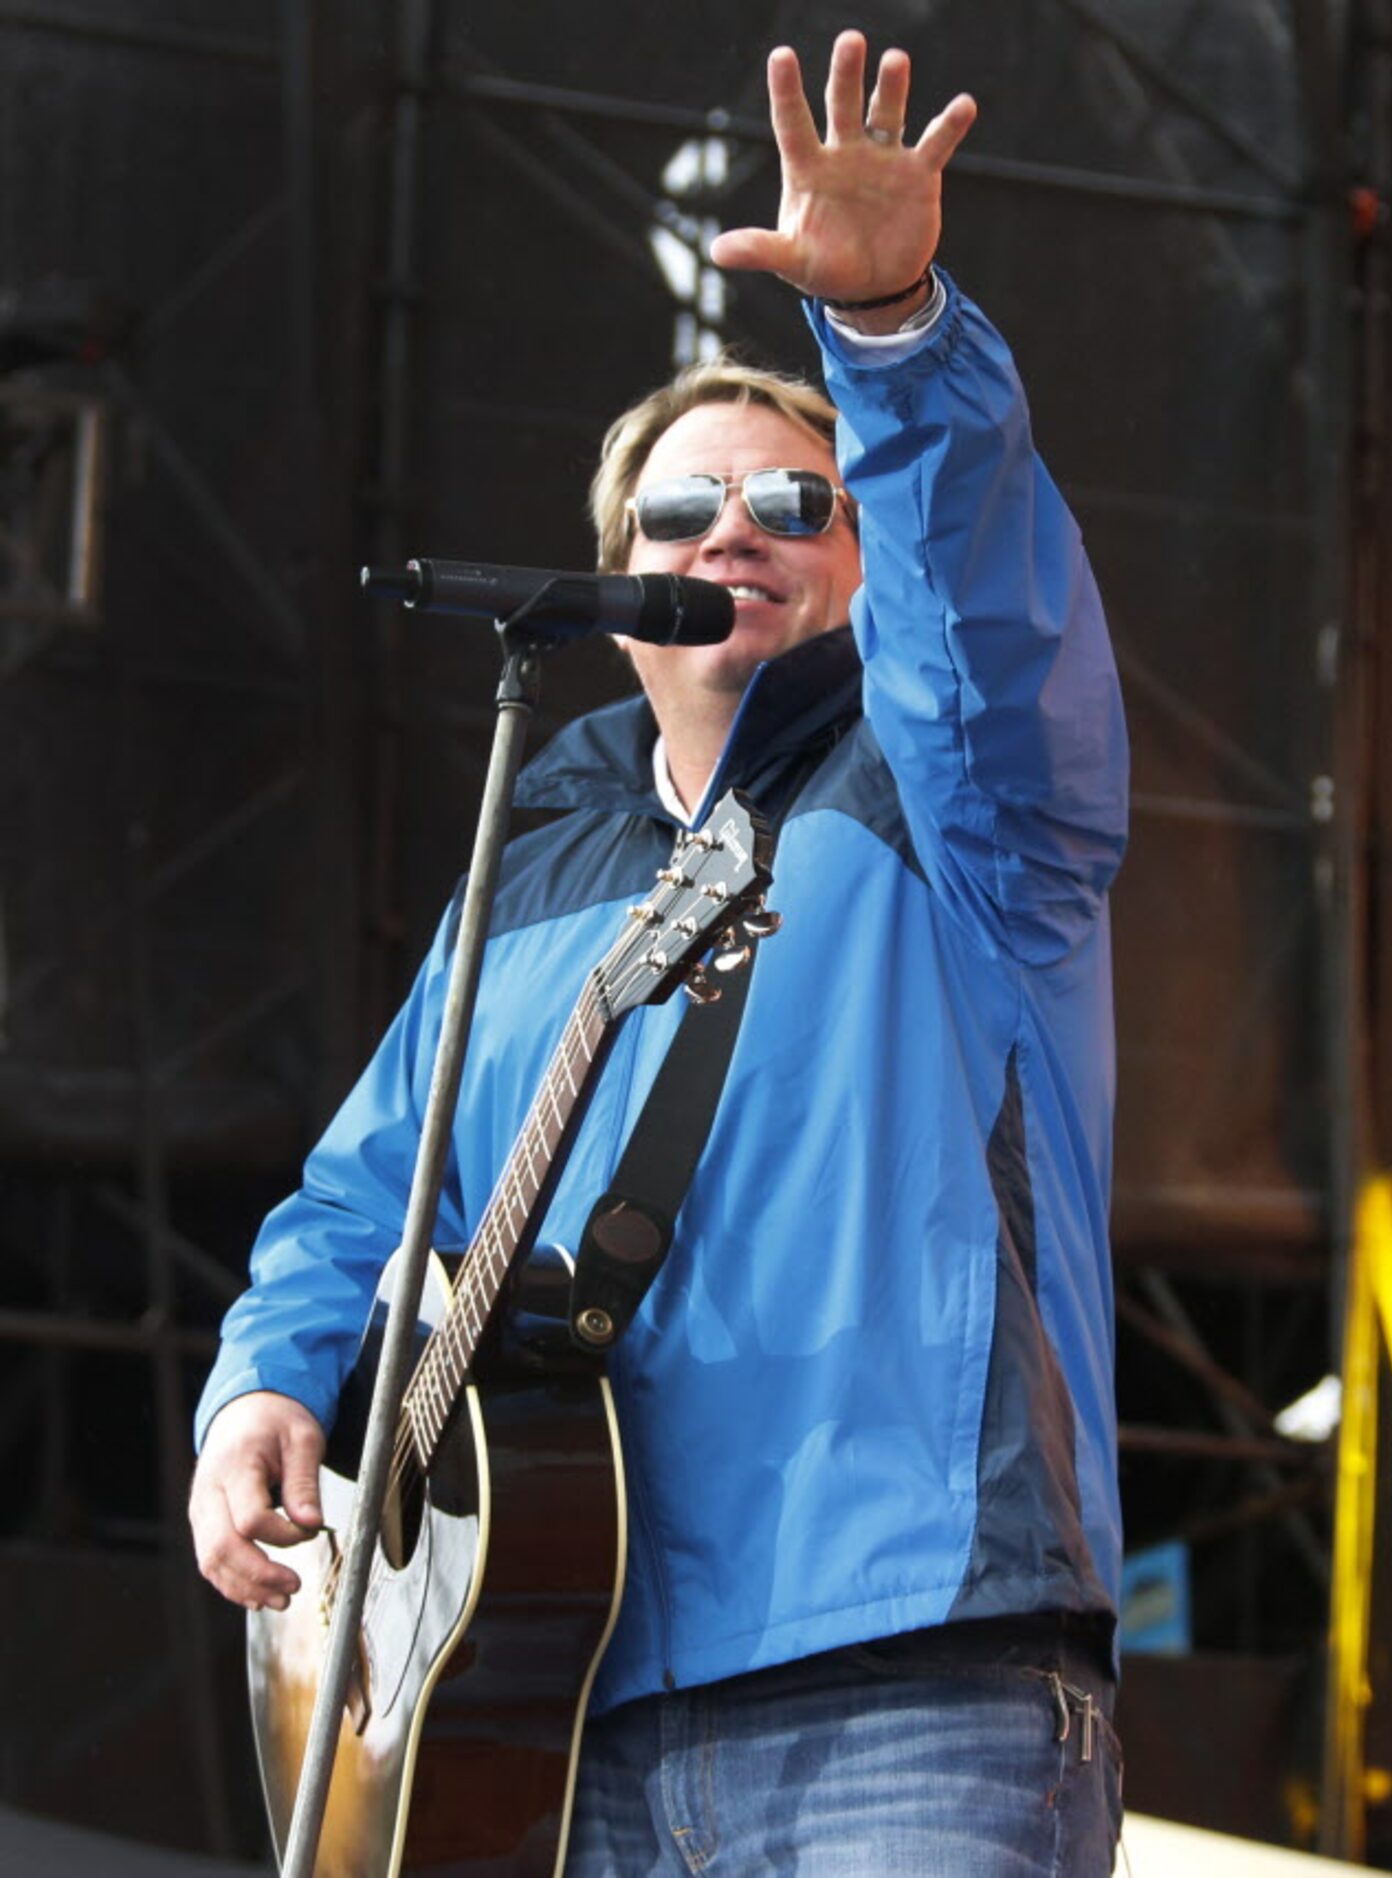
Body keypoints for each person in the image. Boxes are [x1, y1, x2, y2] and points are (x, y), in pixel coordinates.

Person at [186, 29, 1128, 1874]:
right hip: (550, 1699)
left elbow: (993, 627)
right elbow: (359, 1196)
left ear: (860, 558)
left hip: (907, 1670)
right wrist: (264, 1388)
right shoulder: (526, 864)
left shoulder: (953, 803)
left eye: (796, 503)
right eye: (680, 510)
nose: (734, 531)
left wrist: (896, 336)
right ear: (618, 583)